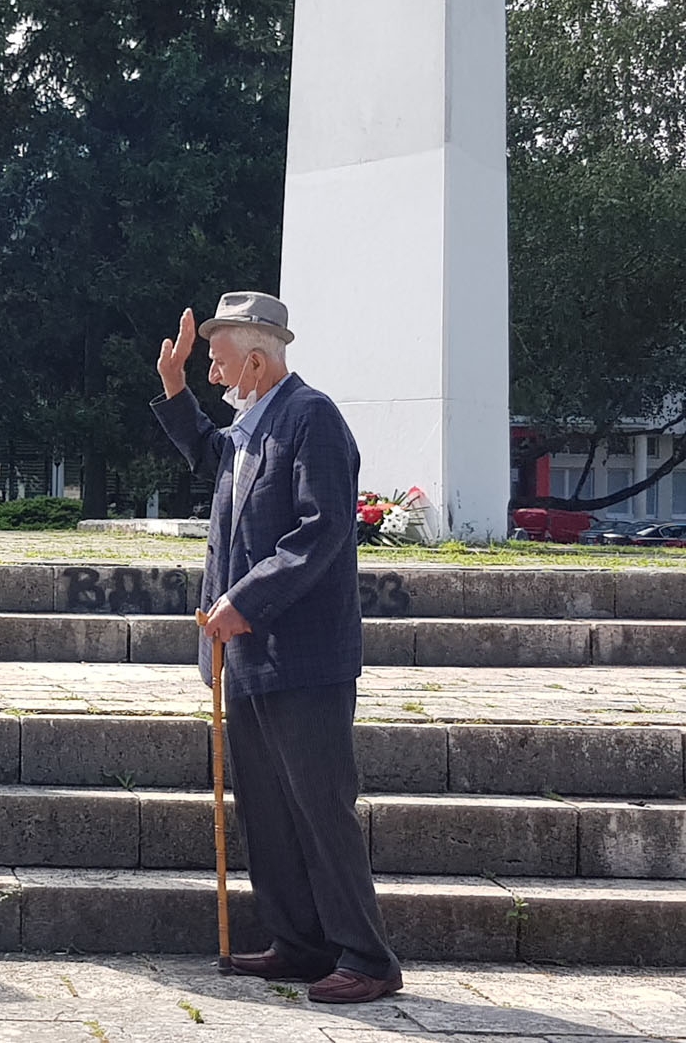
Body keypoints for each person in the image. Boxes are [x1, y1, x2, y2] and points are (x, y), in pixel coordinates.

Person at [151, 290, 401, 1004]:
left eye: (220, 361)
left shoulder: (310, 417)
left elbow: (322, 530)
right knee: (267, 808)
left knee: (319, 805)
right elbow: (210, 455)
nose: (213, 374)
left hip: (303, 656)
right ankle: (300, 942)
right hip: (248, 657)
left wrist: (246, 600)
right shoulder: (252, 423)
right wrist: (173, 395)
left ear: (258, 360)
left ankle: (368, 956)